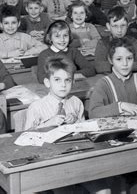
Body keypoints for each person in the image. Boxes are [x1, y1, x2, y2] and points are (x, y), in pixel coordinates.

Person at [87, 38, 137, 194]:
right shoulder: (103, 83)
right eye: (119, 59)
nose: (125, 64)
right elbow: (94, 112)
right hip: (118, 145)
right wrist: (120, 106)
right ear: (110, 60)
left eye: (129, 59)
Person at [24, 58, 110, 194]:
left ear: (73, 82)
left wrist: (76, 125)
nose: (63, 85)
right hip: (49, 164)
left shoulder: (76, 103)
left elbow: (86, 135)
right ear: (47, 82)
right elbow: (27, 139)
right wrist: (48, 123)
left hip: (76, 159)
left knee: (104, 190)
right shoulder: (36, 107)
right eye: (57, 80)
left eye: (67, 80)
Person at [94, 6, 137, 74]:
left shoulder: (133, 41)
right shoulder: (103, 43)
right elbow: (99, 66)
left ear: (128, 25)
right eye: (115, 26)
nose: (119, 30)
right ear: (108, 26)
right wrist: (128, 66)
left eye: (123, 25)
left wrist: (112, 66)